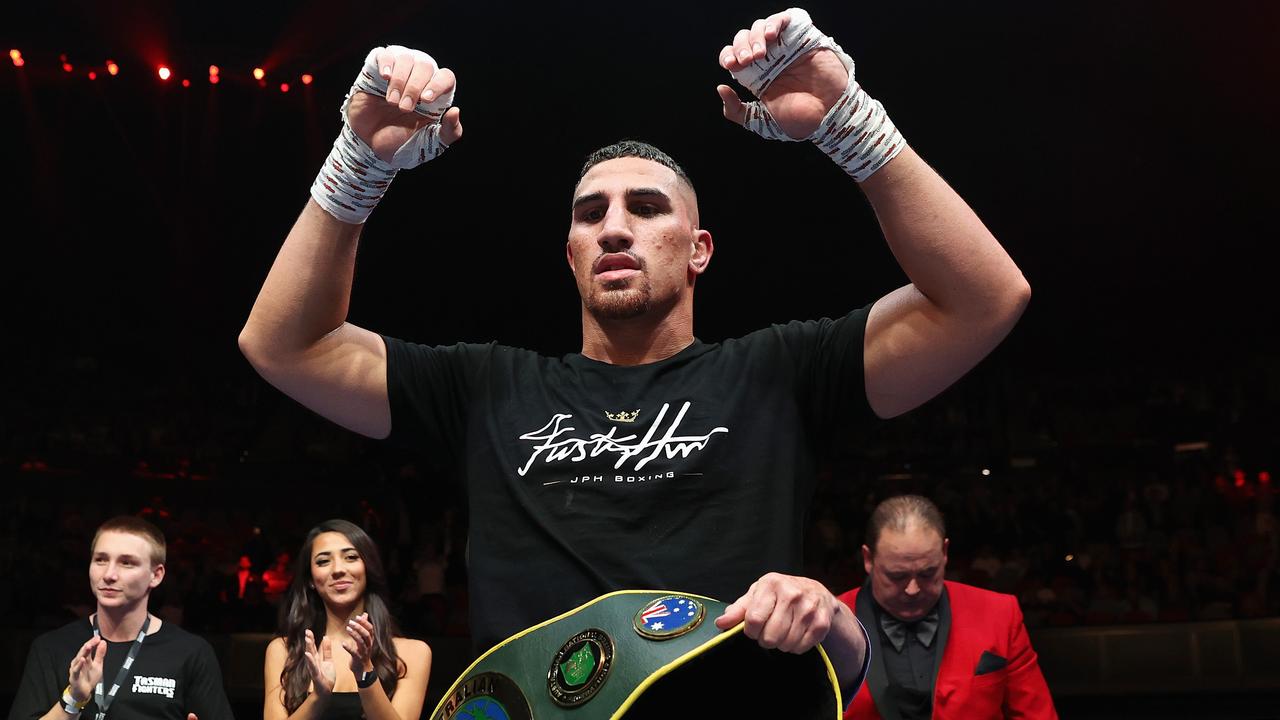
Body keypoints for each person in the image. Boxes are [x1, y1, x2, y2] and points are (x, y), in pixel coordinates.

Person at [238, 6, 1030, 696]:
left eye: (647, 208)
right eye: (591, 215)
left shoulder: (777, 372)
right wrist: (359, 163)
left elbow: (984, 298)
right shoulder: (487, 386)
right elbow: (283, 344)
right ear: (572, 254)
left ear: (699, 250)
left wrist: (849, 122)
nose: (614, 226)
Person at [837, 496, 1057, 719]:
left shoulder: (999, 613)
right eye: (897, 576)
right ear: (868, 559)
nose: (912, 589)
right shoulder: (828, 622)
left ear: (944, 553)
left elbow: (1037, 714)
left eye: (927, 573)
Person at [9, 516, 234, 720]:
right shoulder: (52, 647)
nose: (109, 574)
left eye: (127, 562)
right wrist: (73, 698)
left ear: (156, 575)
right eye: (100, 560)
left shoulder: (191, 653)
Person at [262, 519, 430, 720]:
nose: (338, 569)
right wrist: (319, 697)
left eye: (350, 557)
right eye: (323, 561)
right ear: (310, 579)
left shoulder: (412, 653)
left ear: (368, 568)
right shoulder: (284, 651)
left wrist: (365, 672)